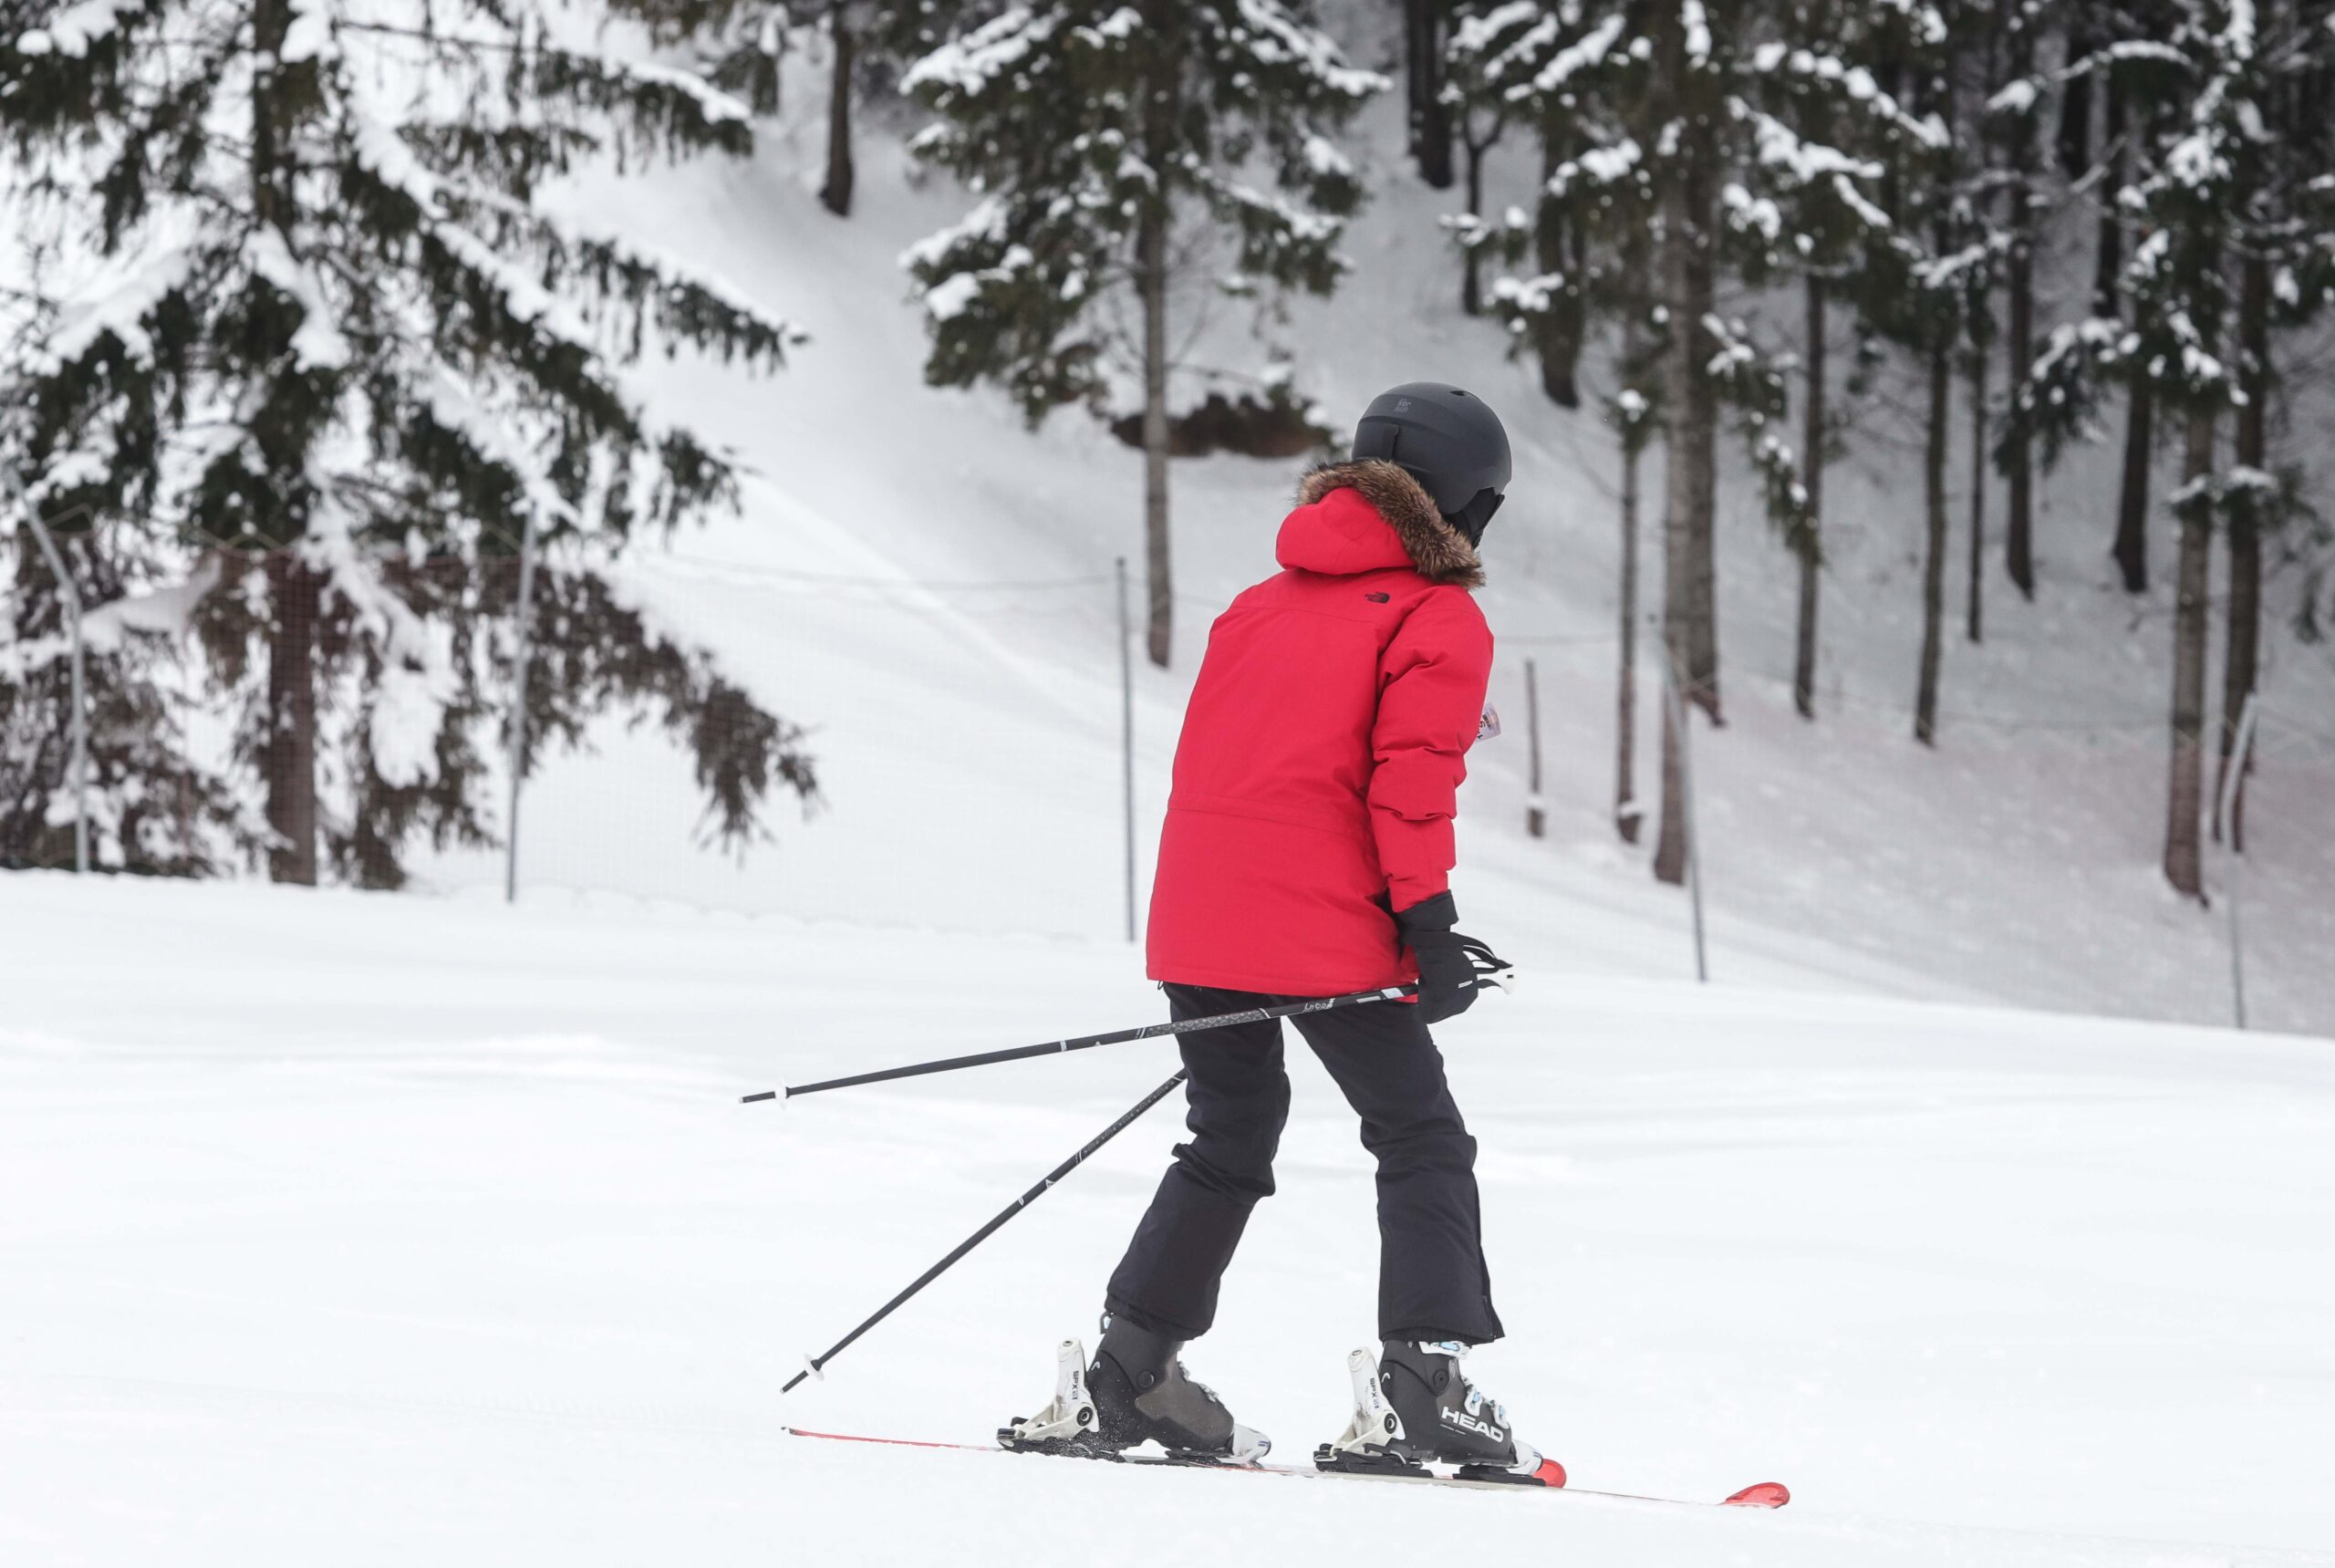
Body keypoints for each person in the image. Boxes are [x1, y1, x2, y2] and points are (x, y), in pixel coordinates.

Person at [1004, 383, 1558, 1485]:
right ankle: (1427, 1388)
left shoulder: (1256, 604)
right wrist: (1429, 926)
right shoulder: (1436, 615)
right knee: (1419, 1135)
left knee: (1229, 1135)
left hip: (1200, 919)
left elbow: (1248, 770)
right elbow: (1408, 788)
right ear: (1470, 505)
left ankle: (1132, 1371)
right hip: (1322, 928)